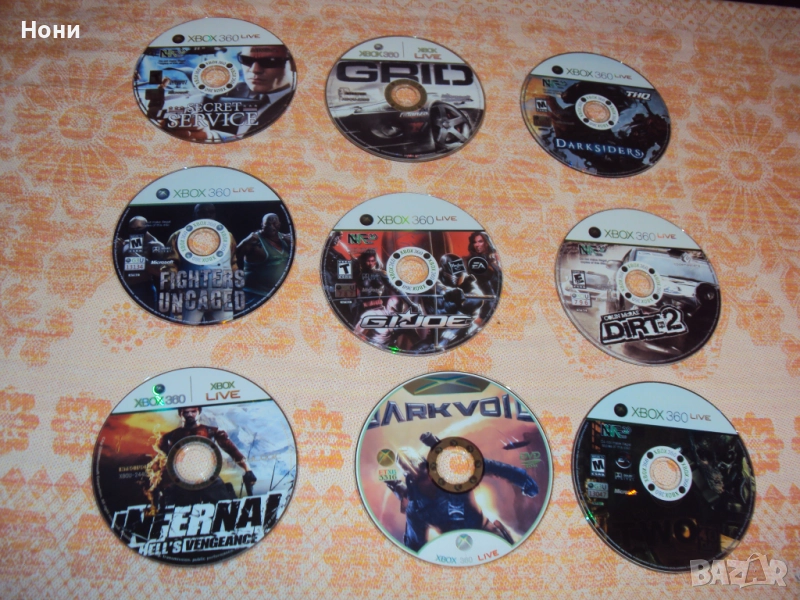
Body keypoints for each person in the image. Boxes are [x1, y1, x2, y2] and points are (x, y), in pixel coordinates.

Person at [384, 432, 538, 552]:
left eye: (425, 471)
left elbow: (489, 466)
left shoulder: (454, 472)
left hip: (488, 536)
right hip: (455, 549)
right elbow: (414, 547)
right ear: (412, 480)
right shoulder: (415, 508)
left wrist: (525, 481)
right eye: (421, 477)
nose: (427, 479)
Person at [154, 406, 256, 507]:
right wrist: (160, 484)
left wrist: (248, 469)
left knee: (226, 507)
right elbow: (163, 462)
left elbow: (233, 451)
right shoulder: (169, 437)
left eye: (193, 411)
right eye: (186, 412)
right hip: (182, 482)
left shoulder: (212, 432)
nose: (189, 414)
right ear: (180, 414)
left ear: (199, 412)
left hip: (210, 479)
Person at [166, 203, 238, 324]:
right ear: (194, 215)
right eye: (202, 212)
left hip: (221, 299)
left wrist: (235, 286)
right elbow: (169, 266)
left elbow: (233, 263)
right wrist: (175, 289)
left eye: (211, 212)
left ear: (215, 214)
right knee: (184, 333)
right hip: (190, 298)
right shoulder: (179, 236)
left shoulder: (227, 236)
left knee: (224, 333)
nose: (207, 215)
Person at [236, 213, 292, 308]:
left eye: (274, 223)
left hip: (279, 296)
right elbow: (232, 258)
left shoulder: (287, 239)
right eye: (268, 224)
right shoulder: (253, 241)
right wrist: (244, 242)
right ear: (262, 225)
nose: (272, 227)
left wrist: (294, 244)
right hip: (255, 295)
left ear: (279, 224)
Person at [116, 216, 168, 309]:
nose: (135, 231)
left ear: (146, 227)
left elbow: (161, 272)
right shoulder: (129, 242)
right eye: (132, 229)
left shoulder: (155, 245)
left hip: (143, 288)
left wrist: (137, 258)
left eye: (138, 228)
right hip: (125, 287)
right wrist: (117, 250)